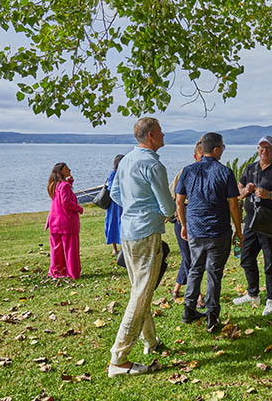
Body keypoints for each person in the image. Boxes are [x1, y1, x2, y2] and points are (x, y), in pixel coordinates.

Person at [108, 117, 174, 377]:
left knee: (140, 289)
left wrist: (134, 206)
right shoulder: (153, 165)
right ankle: (119, 357)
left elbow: (114, 193)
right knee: (142, 293)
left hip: (128, 230)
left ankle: (151, 341)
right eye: (160, 131)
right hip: (146, 232)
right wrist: (158, 212)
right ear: (150, 136)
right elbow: (167, 206)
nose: (163, 134)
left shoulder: (126, 160)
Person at [175, 132, 243, 332]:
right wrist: (238, 229)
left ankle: (189, 310)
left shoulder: (188, 171)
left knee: (195, 268)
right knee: (214, 273)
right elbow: (233, 205)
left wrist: (184, 224)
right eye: (222, 146)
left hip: (196, 229)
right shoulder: (225, 172)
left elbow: (179, 201)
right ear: (215, 149)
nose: (223, 150)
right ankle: (212, 317)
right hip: (218, 230)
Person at [234, 136, 272, 316]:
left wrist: (269, 194)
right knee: (246, 258)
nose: (264, 151)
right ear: (257, 149)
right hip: (252, 222)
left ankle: (271, 298)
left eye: (267, 148)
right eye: (261, 148)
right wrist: (246, 191)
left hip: (271, 222)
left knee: (271, 261)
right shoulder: (250, 168)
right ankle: (253, 294)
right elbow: (238, 191)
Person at [168, 141, 205, 307]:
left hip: (201, 220)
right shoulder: (185, 172)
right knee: (189, 256)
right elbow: (171, 195)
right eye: (202, 156)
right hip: (184, 217)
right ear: (196, 156)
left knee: (192, 256)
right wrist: (174, 211)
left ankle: (176, 288)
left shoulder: (212, 173)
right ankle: (197, 295)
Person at [45, 162, 83, 279]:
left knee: (57, 249)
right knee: (70, 248)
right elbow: (65, 202)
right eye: (67, 169)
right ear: (61, 172)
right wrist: (78, 208)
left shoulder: (54, 185)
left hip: (54, 221)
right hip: (66, 221)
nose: (70, 170)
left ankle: (57, 271)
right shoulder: (64, 185)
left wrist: (70, 182)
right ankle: (72, 272)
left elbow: (60, 198)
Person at [103, 155, 125, 256]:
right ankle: (114, 248)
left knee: (123, 224)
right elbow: (111, 188)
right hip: (114, 205)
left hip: (123, 202)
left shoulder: (126, 174)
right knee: (113, 224)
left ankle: (123, 246)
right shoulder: (113, 174)